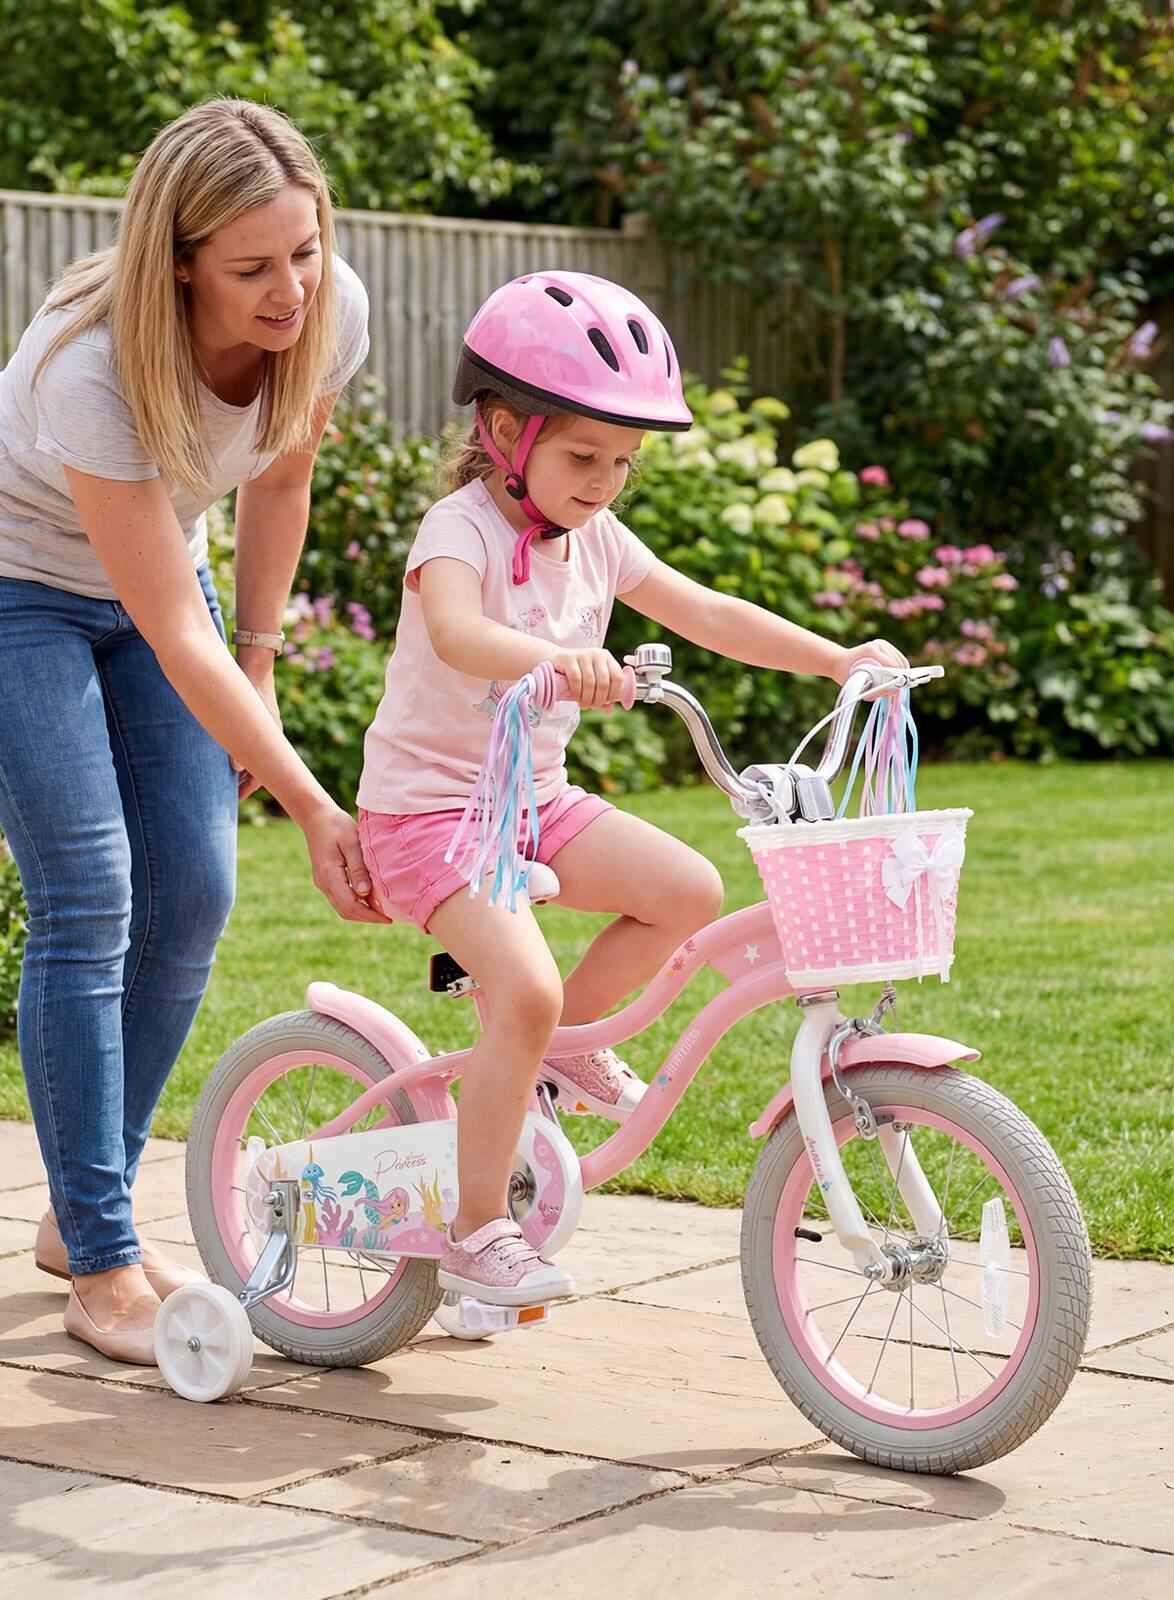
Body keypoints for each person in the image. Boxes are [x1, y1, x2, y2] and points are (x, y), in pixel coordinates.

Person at [0, 99, 386, 1365]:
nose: (290, 288)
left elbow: (279, 477)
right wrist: (313, 799)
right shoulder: (96, 365)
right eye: (251, 268)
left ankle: (82, 1213)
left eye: (302, 249)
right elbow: (179, 636)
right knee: (88, 889)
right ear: (178, 261)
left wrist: (269, 668)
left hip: (151, 584)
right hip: (2, 583)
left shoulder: (325, 306)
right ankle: (106, 1257)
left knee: (195, 886)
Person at [354, 271, 907, 1305]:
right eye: (582, 456)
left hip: (534, 800)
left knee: (686, 889)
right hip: (428, 814)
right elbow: (458, 632)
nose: (605, 480)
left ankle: (548, 1061)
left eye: (623, 461)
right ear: (506, 431)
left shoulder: (596, 540)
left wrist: (837, 661)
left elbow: (709, 614)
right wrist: (552, 662)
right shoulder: (457, 530)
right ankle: (477, 1228)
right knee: (522, 986)